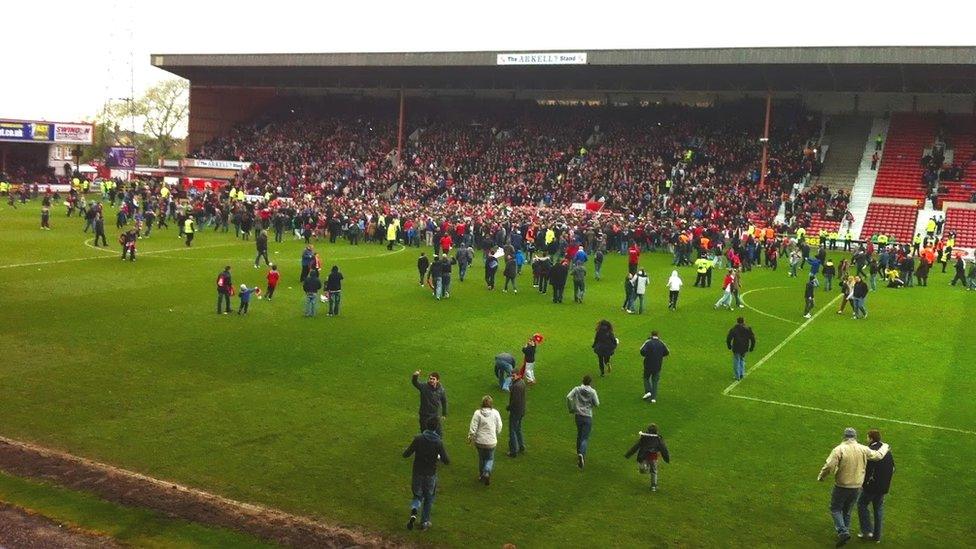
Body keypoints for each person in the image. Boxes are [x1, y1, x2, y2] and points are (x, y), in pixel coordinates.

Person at [817, 427, 891, 547]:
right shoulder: (863, 449)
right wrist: (885, 446)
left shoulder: (839, 449)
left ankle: (843, 531)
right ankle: (845, 533)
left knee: (835, 508)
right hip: (857, 486)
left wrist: (821, 477)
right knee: (847, 511)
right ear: (855, 437)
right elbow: (878, 456)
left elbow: (829, 466)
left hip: (842, 485)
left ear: (844, 436)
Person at [403, 417, 450, 532]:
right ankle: (424, 522)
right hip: (430, 474)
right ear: (436, 428)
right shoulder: (438, 442)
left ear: (426, 426)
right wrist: (437, 457)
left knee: (417, 496)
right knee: (429, 498)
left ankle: (414, 511)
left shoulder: (418, 438)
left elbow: (406, 454)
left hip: (417, 472)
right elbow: (446, 460)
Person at [857, 429, 895, 543]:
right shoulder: (886, 451)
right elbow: (893, 468)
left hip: (872, 487)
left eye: (867, 437)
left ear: (871, 438)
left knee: (861, 504)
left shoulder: (871, 452)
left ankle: (866, 531)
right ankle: (877, 537)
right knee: (878, 509)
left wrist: (863, 484)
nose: (866, 439)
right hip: (883, 487)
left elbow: (867, 470)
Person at [624, 423, 671, 492]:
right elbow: (664, 449)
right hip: (653, 458)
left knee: (644, 470)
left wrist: (628, 454)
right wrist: (666, 458)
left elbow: (636, 446)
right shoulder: (658, 439)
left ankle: (644, 468)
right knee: (654, 472)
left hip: (644, 456)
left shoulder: (644, 438)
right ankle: (653, 486)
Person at [467, 395, 503, 485]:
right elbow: (499, 425)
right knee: (490, 459)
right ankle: (487, 471)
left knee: (482, 458)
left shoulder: (477, 413)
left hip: (479, 441)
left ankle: (481, 474)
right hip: (491, 441)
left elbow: (473, 426)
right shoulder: (495, 413)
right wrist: (497, 432)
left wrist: (471, 436)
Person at [566, 375, 599, 469]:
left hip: (578, 416)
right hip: (587, 416)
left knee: (579, 434)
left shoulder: (577, 389)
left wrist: (571, 409)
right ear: (590, 382)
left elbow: (568, 397)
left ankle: (578, 453)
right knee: (585, 437)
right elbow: (597, 403)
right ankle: (581, 454)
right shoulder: (592, 392)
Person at [412, 371, 447, 436]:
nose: (431, 380)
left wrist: (444, 413)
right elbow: (415, 383)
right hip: (424, 415)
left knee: (439, 434)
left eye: (433, 379)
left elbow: (444, 401)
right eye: (430, 378)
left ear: (438, 380)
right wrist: (415, 376)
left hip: (434, 416)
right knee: (424, 434)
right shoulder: (424, 387)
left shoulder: (441, 390)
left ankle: (437, 445)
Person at [639, 331, 670, 403]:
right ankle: (653, 398)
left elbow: (641, 351)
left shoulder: (648, 342)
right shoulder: (661, 343)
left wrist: (647, 355)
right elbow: (667, 352)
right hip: (658, 365)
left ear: (651, 335)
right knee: (655, 381)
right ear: (658, 335)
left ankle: (648, 391)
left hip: (648, 364)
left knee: (646, 377)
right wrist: (660, 356)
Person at [726, 317, 756, 381]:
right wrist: (751, 347)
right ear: (744, 321)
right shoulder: (748, 329)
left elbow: (729, 338)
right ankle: (742, 373)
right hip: (744, 348)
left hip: (736, 347)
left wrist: (729, 346)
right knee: (742, 359)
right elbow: (753, 339)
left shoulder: (734, 329)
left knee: (736, 360)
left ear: (737, 321)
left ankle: (737, 376)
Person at [506, 373, 526, 458]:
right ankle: (521, 446)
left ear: (518, 375)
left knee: (512, 430)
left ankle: (513, 451)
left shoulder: (516, 386)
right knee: (518, 429)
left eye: (513, 376)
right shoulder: (522, 383)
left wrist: (509, 407)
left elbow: (515, 401)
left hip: (515, 412)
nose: (512, 378)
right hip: (521, 410)